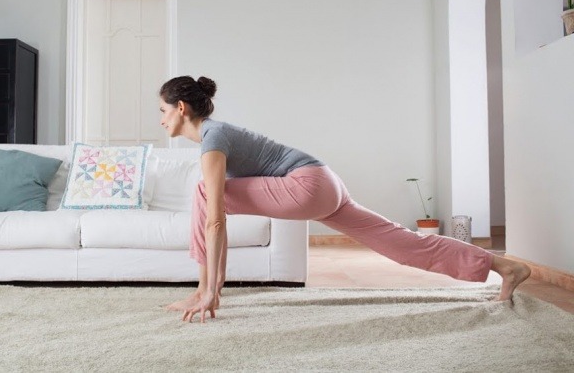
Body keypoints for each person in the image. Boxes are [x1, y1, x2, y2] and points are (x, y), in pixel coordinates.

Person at [159, 76, 531, 323]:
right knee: (402, 243)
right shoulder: (219, 134)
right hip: (324, 184)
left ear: (181, 108)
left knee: (205, 192)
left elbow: (214, 219)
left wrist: (210, 290)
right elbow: (217, 217)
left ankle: (204, 293)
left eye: (162, 111)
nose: (160, 120)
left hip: (305, 185)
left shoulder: (213, 138)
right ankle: (502, 266)